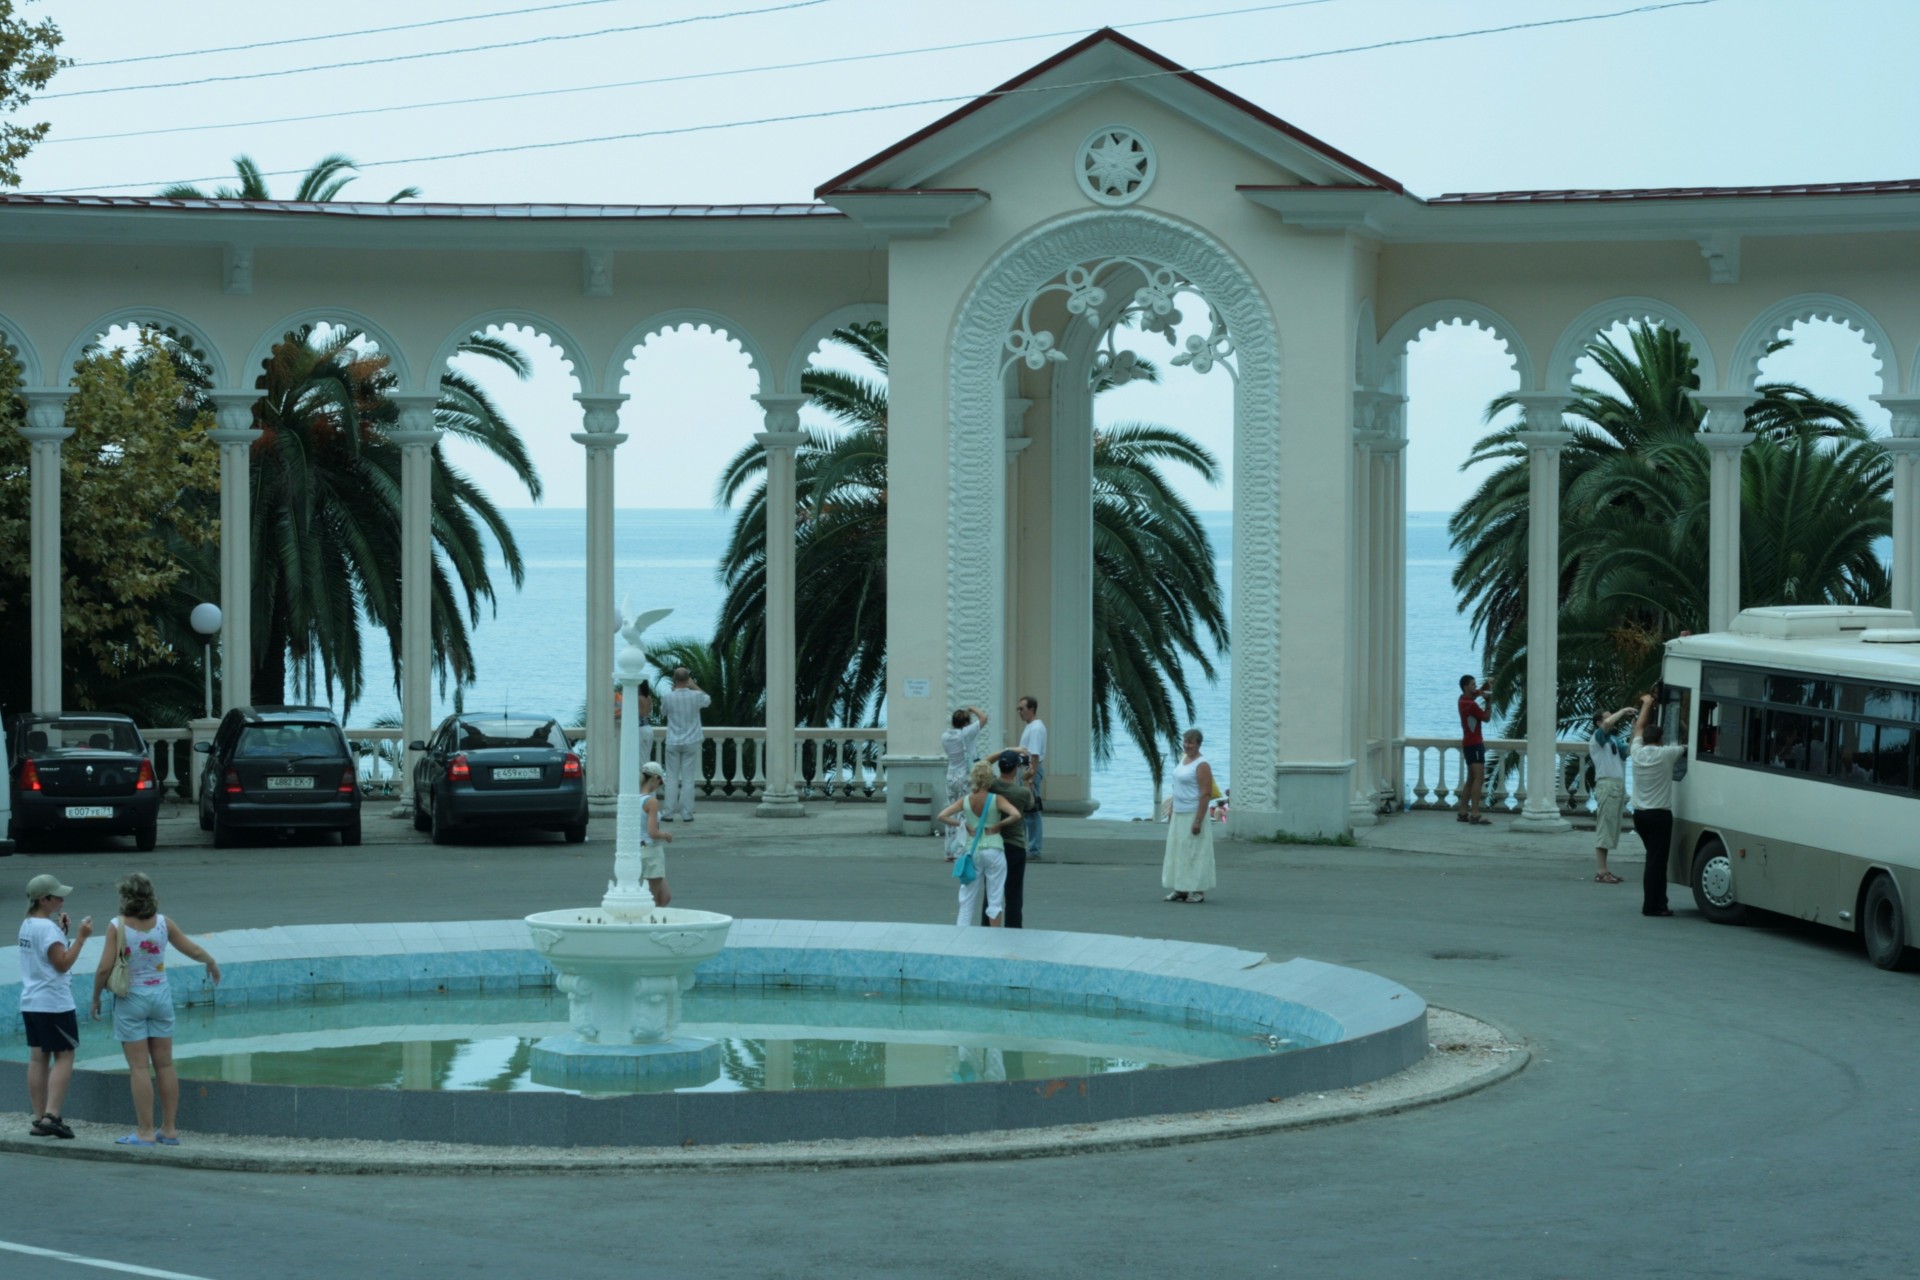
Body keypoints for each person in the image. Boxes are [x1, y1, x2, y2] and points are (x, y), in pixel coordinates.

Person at [87, 873, 221, 1147]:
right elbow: (192, 948)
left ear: (125, 897)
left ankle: (145, 1132)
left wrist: (96, 997)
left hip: (131, 1000)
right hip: (161, 997)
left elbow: (103, 968)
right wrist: (211, 961)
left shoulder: (118, 926)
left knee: (139, 1067)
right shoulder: (163, 923)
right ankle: (169, 1129)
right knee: (165, 1064)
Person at [18, 874, 93, 1140]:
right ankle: (53, 1115)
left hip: (32, 1002)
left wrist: (62, 934)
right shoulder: (46, 929)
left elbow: (45, 956)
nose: (62, 899)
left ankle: (40, 1119)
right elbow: (61, 964)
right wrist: (81, 938)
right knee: (65, 1055)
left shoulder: (27, 925)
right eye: (57, 896)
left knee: (38, 1058)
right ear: (44, 899)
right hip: (54, 1003)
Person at [937, 760, 1020, 928]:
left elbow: (942, 816)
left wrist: (963, 825)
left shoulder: (966, 800)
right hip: (994, 849)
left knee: (967, 900)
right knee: (995, 899)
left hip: (972, 851)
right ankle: (994, 939)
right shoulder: (996, 799)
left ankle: (961, 937)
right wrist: (999, 825)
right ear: (990, 779)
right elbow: (1015, 814)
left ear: (973, 778)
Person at [1630, 692, 1688, 917]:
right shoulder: (1667, 753)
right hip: (1659, 816)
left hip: (1639, 815)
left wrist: (1646, 703)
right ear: (1661, 739)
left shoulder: (1636, 753)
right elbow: (1687, 744)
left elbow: (1638, 728)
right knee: (1656, 863)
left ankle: (1657, 903)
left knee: (1653, 859)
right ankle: (1653, 906)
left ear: (1644, 739)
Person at [1162, 729, 1217, 904]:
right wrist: (1171, 809)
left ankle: (1198, 891)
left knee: (1195, 852)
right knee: (1179, 851)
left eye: (1191, 742)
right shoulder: (1183, 760)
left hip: (1193, 813)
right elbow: (1176, 786)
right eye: (1185, 741)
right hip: (1179, 812)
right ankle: (1181, 889)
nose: (1187, 745)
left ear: (1198, 744)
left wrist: (1198, 820)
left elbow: (1206, 793)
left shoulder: (1202, 764)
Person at [1588, 704, 1637, 884]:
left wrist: (1633, 729)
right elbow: (1608, 723)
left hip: (1616, 787)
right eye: (1607, 717)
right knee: (1604, 828)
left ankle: (1604, 869)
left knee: (1610, 829)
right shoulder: (1598, 738)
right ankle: (1601, 871)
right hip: (1607, 785)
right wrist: (1623, 711)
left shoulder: (1613, 740)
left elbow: (1628, 751)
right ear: (1599, 722)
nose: (1612, 720)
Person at [987, 750, 1035, 928]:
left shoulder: (991, 786)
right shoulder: (1021, 792)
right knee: (1014, 892)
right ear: (1016, 768)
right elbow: (1031, 805)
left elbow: (982, 764)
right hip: (1015, 845)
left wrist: (1004, 751)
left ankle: (987, 925)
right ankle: (1013, 928)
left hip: (993, 843)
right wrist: (1026, 780)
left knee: (991, 891)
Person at [659, 666, 710, 823]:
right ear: (687, 679)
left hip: (673, 741)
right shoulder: (696, 696)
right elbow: (708, 700)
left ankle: (668, 812)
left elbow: (663, 712)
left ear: (675, 679)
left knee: (672, 778)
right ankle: (687, 813)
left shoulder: (668, 696)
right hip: (691, 741)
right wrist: (693, 685)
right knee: (688, 779)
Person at [939, 705, 986, 861]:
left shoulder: (945, 736)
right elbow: (984, 719)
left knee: (950, 812)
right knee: (965, 813)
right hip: (964, 776)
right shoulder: (965, 733)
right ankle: (961, 848)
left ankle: (948, 851)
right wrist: (973, 709)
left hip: (950, 775)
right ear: (966, 722)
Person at [637, 760, 674, 906]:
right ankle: (650, 926)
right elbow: (653, 832)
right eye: (660, 781)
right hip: (652, 849)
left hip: (640, 848)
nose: (660, 784)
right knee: (651, 900)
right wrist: (666, 835)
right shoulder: (651, 802)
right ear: (654, 778)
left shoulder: (634, 799)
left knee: (664, 897)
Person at [1457, 675, 1493, 825]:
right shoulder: (1471, 705)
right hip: (1475, 744)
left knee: (1471, 779)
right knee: (1479, 778)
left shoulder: (1461, 700)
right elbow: (1486, 717)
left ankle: (1463, 811)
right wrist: (1489, 702)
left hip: (1467, 744)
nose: (1475, 687)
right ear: (1466, 687)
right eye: (1472, 685)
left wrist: (1487, 685)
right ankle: (1475, 813)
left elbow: (1478, 692)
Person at [1016, 696, 1048, 859]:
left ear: (1032, 709)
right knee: (1025, 809)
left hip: (1030, 769)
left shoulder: (1035, 728)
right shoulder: (1031, 727)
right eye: (1018, 709)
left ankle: (1034, 849)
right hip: (1025, 768)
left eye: (1022, 709)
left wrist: (1029, 777)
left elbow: (1034, 755)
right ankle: (1024, 846)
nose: (1019, 712)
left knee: (1031, 810)